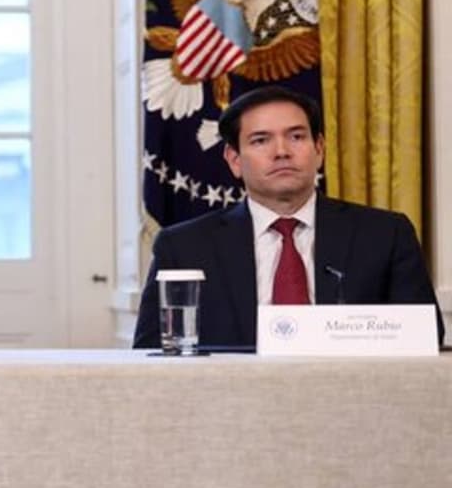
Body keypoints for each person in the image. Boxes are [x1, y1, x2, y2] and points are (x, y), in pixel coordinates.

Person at [134, 86, 445, 348]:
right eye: (261, 140)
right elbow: (150, 355)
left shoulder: (385, 235)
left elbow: (424, 338)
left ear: (319, 149)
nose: (281, 151)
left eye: (296, 137)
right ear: (234, 160)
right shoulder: (183, 247)